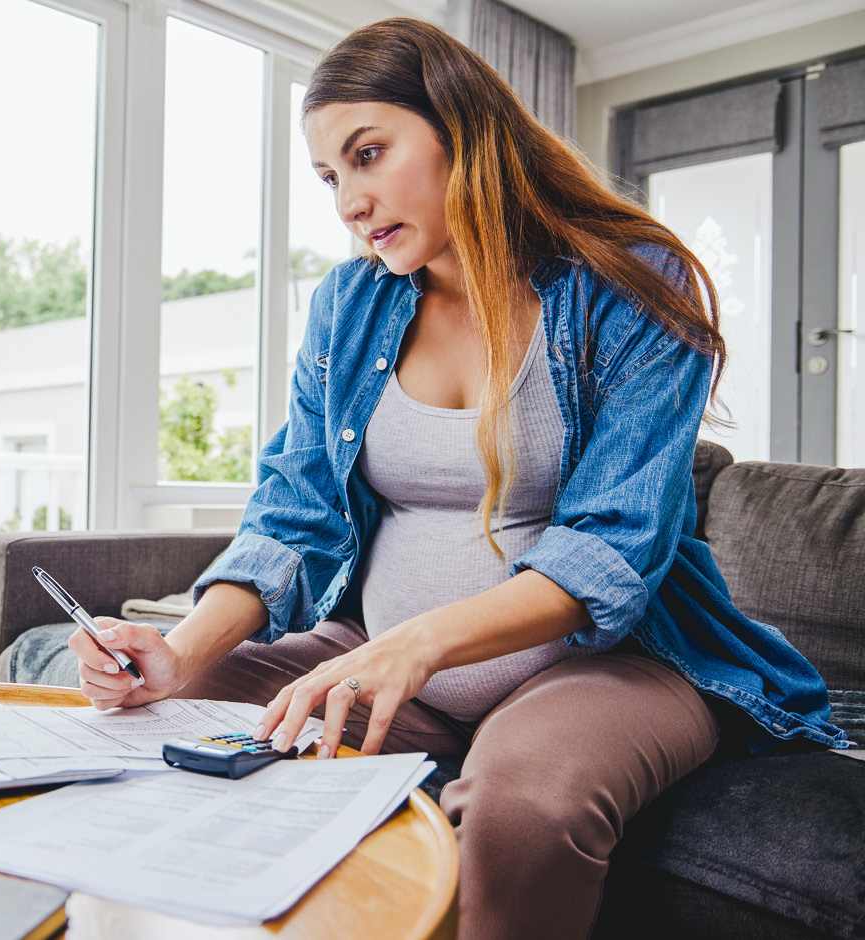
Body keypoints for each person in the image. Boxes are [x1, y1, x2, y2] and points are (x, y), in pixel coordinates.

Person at [67, 17, 851, 940]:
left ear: (464, 132)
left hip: (613, 664)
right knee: (148, 736)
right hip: (378, 653)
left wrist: (421, 643)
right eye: (330, 177)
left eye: (369, 154)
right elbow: (293, 511)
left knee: (527, 808)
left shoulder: (632, 283)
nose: (350, 203)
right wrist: (182, 654)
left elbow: (612, 549)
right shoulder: (350, 302)